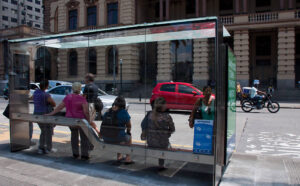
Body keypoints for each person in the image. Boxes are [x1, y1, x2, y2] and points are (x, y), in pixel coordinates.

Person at [46, 82, 94, 160]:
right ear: (80, 89)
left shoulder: (68, 97)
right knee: (84, 137)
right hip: (80, 120)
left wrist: (50, 113)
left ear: (72, 88)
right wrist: (88, 120)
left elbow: (59, 107)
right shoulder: (82, 98)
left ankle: (75, 153)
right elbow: (86, 112)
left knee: (74, 136)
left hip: (70, 120)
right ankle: (85, 155)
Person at [140, 97, 175, 170]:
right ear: (163, 106)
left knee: (160, 140)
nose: (166, 106)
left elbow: (143, 125)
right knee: (166, 143)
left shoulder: (149, 115)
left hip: (150, 142)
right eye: (165, 104)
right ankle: (161, 165)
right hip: (162, 144)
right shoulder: (167, 117)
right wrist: (167, 134)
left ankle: (160, 163)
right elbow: (172, 129)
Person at [100, 96, 133, 164]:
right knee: (128, 137)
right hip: (117, 138)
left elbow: (103, 121)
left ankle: (119, 157)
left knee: (119, 135)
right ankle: (128, 158)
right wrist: (128, 132)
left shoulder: (108, 111)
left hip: (106, 137)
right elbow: (129, 125)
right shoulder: (123, 112)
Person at [33, 80, 56, 154]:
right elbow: (54, 104)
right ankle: (48, 148)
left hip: (36, 114)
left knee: (43, 131)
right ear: (46, 86)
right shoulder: (46, 95)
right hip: (45, 114)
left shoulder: (35, 92)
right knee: (48, 131)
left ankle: (41, 147)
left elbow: (31, 98)